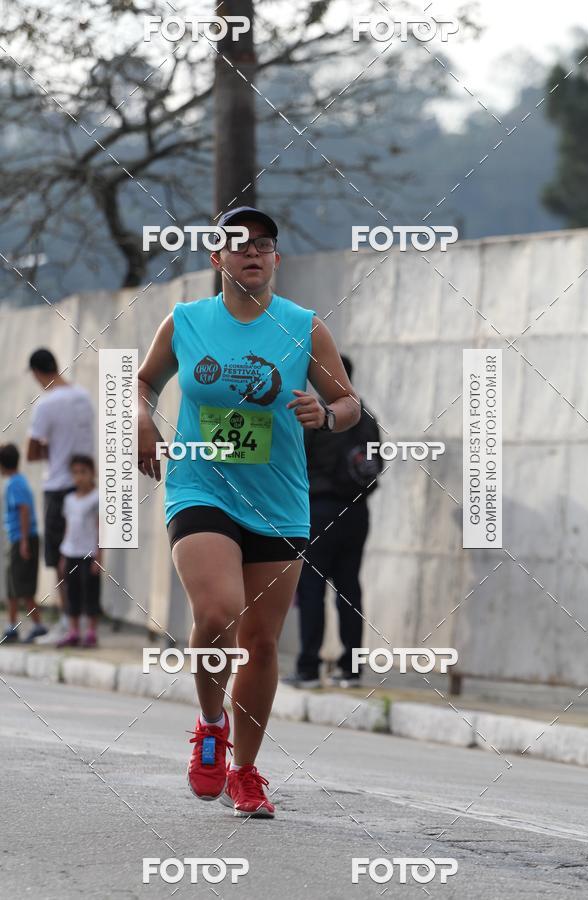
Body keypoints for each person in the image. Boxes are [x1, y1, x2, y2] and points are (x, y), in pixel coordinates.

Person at [137, 206, 360, 818]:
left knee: (261, 645)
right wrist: (139, 421)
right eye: (238, 245)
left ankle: (246, 771)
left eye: (263, 244)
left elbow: (348, 403)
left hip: (279, 501)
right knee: (218, 611)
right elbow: (142, 384)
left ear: (276, 259)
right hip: (200, 487)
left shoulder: (304, 327)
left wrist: (326, 414)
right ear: (218, 259)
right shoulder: (185, 322)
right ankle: (211, 726)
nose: (252, 253)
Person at [284, 355, 382, 689]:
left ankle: (309, 668)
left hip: (320, 511)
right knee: (349, 589)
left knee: (311, 589)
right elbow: (375, 465)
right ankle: (350, 669)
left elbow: (297, 464)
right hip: (357, 513)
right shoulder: (366, 418)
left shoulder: (319, 416)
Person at [26, 349, 95, 644]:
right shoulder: (83, 396)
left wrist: (49, 449)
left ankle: (68, 621)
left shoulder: (47, 403)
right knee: (85, 557)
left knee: (60, 558)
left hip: (57, 485)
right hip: (85, 483)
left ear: (38, 373)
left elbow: (30, 452)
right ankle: (84, 624)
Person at [0, 443, 47, 643]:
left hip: (22, 539)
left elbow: (24, 510)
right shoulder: (17, 481)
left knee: (23, 586)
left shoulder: (14, 484)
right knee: (12, 585)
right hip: (16, 538)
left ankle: (38, 625)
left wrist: (25, 541)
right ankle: (12, 626)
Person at [56, 455, 102, 648]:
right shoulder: (69, 499)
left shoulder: (97, 498)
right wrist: (62, 556)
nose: (79, 477)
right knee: (71, 590)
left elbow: (101, 529)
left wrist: (99, 557)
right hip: (70, 552)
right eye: (75, 472)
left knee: (90, 590)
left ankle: (91, 631)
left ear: (92, 473)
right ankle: (73, 631)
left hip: (88, 554)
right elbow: (68, 528)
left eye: (83, 472)